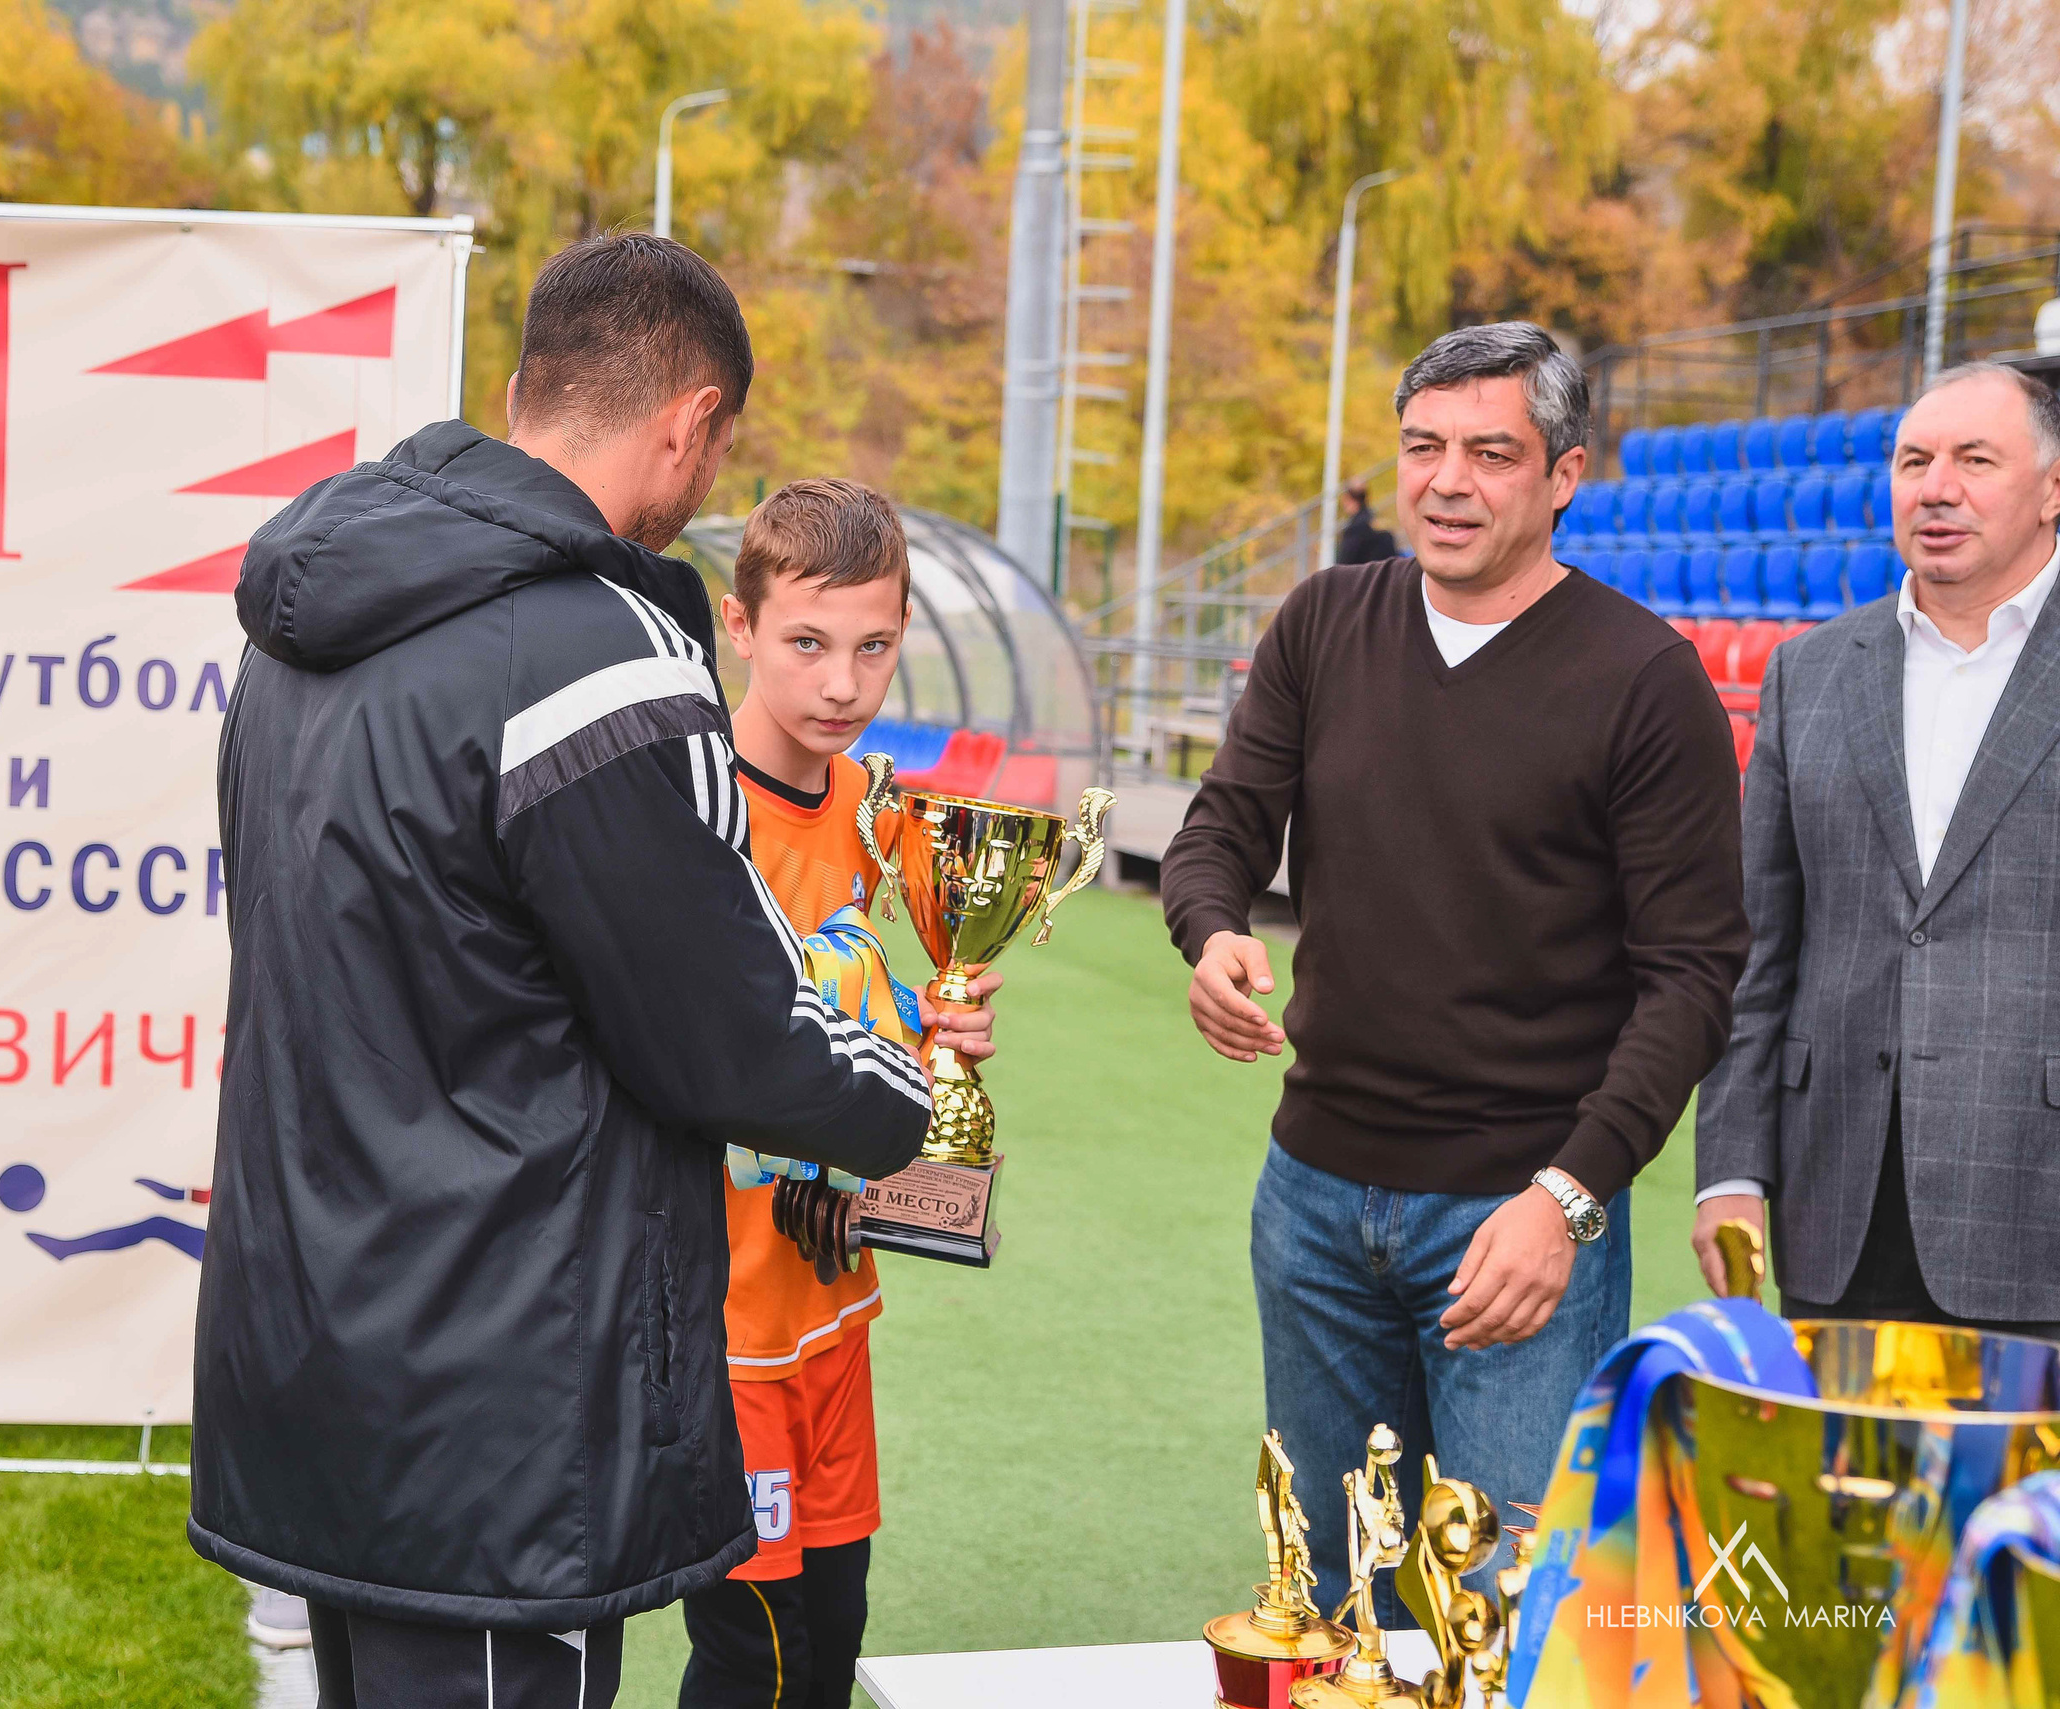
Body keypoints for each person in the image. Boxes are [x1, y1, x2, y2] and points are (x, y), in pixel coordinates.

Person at [191, 234, 973, 1709]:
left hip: (316, 1330)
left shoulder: (300, 627)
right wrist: (911, 1090)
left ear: (519, 390)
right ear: (692, 424)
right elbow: (725, 1036)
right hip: (496, 1375)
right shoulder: (595, 652)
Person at [1159, 321, 1749, 1614]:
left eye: (1492, 452)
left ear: (1564, 475)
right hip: (1312, 1199)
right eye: (1424, 446)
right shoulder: (1326, 618)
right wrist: (1211, 932)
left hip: (1518, 1216)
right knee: (1330, 1588)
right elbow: (1220, 830)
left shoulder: (1644, 680)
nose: (1447, 481)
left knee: (1504, 1604)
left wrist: (1569, 1199)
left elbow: (1696, 975)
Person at [677, 480, 1001, 1709]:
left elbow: (914, 1002)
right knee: (753, 1659)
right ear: (740, 626)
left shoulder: (883, 813)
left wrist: (951, 1028)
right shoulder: (690, 808)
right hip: (723, 1326)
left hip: (832, 1307)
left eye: (873, 646)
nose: (840, 684)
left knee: (832, 1631)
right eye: (807, 643)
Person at [1693, 362, 2060, 1337]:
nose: (1935, 485)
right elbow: (1754, 951)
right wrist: (1730, 1168)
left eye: (1974, 459)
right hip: (1835, 1209)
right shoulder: (1805, 673)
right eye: (1913, 460)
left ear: (2051, 487)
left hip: (2036, 1202)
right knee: (1840, 1493)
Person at [1335, 480, 1398, 564]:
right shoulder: (1378, 521)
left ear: (1348, 499)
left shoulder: (1355, 528)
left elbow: (1344, 562)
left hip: (1364, 574)